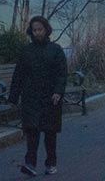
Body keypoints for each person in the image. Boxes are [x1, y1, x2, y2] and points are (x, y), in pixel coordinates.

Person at [8, 16, 67, 177]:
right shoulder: (26, 51)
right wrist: (13, 97)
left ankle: (51, 163)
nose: (37, 33)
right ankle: (30, 164)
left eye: (40, 29)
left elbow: (62, 73)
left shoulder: (56, 50)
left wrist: (58, 92)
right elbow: (18, 74)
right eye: (34, 30)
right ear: (31, 31)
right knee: (32, 132)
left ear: (46, 29)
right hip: (31, 97)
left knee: (50, 133)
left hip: (50, 98)